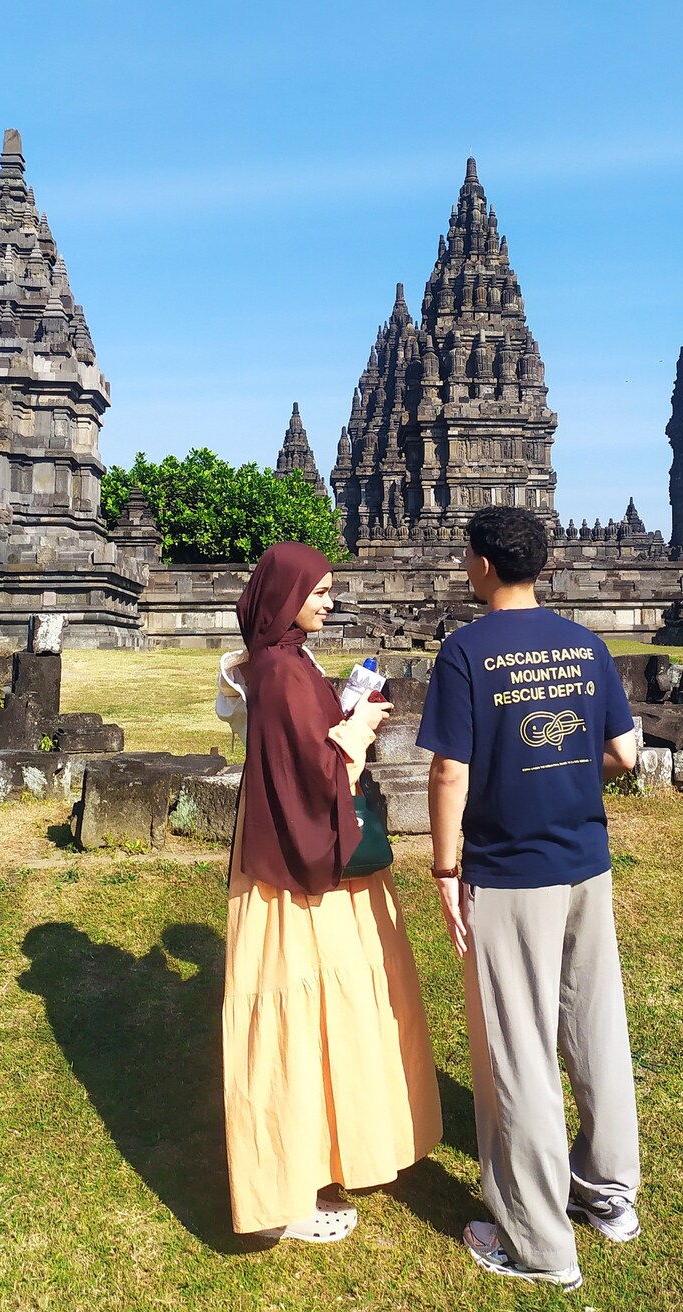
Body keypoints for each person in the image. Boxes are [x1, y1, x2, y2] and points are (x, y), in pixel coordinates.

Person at [417, 507, 641, 1292]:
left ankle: (539, 1244)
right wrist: (574, 779)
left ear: (480, 564)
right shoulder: (586, 645)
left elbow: (449, 774)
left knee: (518, 1054)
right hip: (586, 861)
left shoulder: (466, 651)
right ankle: (610, 1194)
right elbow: (622, 750)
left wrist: (445, 871)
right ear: (540, 564)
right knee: (594, 1027)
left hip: (510, 870)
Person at [221, 541, 443, 1243]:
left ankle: (324, 1155)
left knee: (325, 1009)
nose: (328, 602)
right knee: (298, 1016)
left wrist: (342, 710)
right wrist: (361, 727)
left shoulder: (282, 661)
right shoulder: (282, 668)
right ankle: (284, 1194)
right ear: (285, 599)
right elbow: (315, 772)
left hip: (295, 855)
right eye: (317, 592)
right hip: (298, 870)